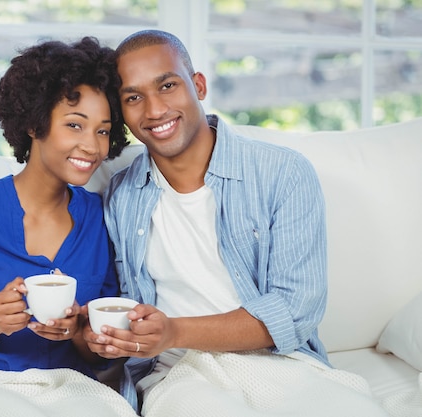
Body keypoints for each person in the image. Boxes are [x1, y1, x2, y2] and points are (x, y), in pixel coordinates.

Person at [84, 30, 388, 416]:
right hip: (176, 374)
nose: (155, 109)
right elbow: (123, 304)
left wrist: (175, 330)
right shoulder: (121, 196)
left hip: (282, 363)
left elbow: (295, 311)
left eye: (168, 85)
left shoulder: (283, 173)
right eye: (133, 97)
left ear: (199, 85)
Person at [0, 37, 137, 417]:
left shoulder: (102, 217)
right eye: (74, 125)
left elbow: (97, 356)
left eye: (102, 130)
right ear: (34, 123)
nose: (92, 146)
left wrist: (79, 332)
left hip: (71, 389)